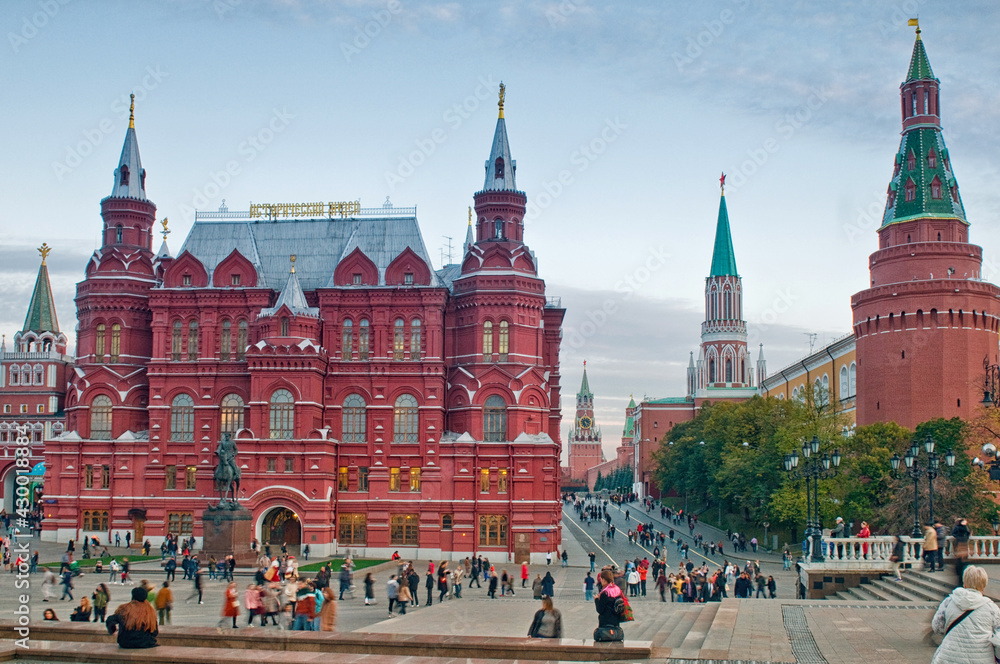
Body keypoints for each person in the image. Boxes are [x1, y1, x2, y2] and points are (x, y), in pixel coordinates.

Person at [930, 565, 1000, 664]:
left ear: (965, 583)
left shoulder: (949, 602)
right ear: (984, 585)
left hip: (949, 657)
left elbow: (936, 626)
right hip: (982, 658)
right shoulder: (991, 608)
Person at [594, 569, 625, 642]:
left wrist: (596, 600)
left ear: (604, 580)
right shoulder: (617, 589)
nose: (600, 581)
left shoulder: (605, 592)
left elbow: (600, 610)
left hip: (605, 623)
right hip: (616, 622)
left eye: (601, 579)